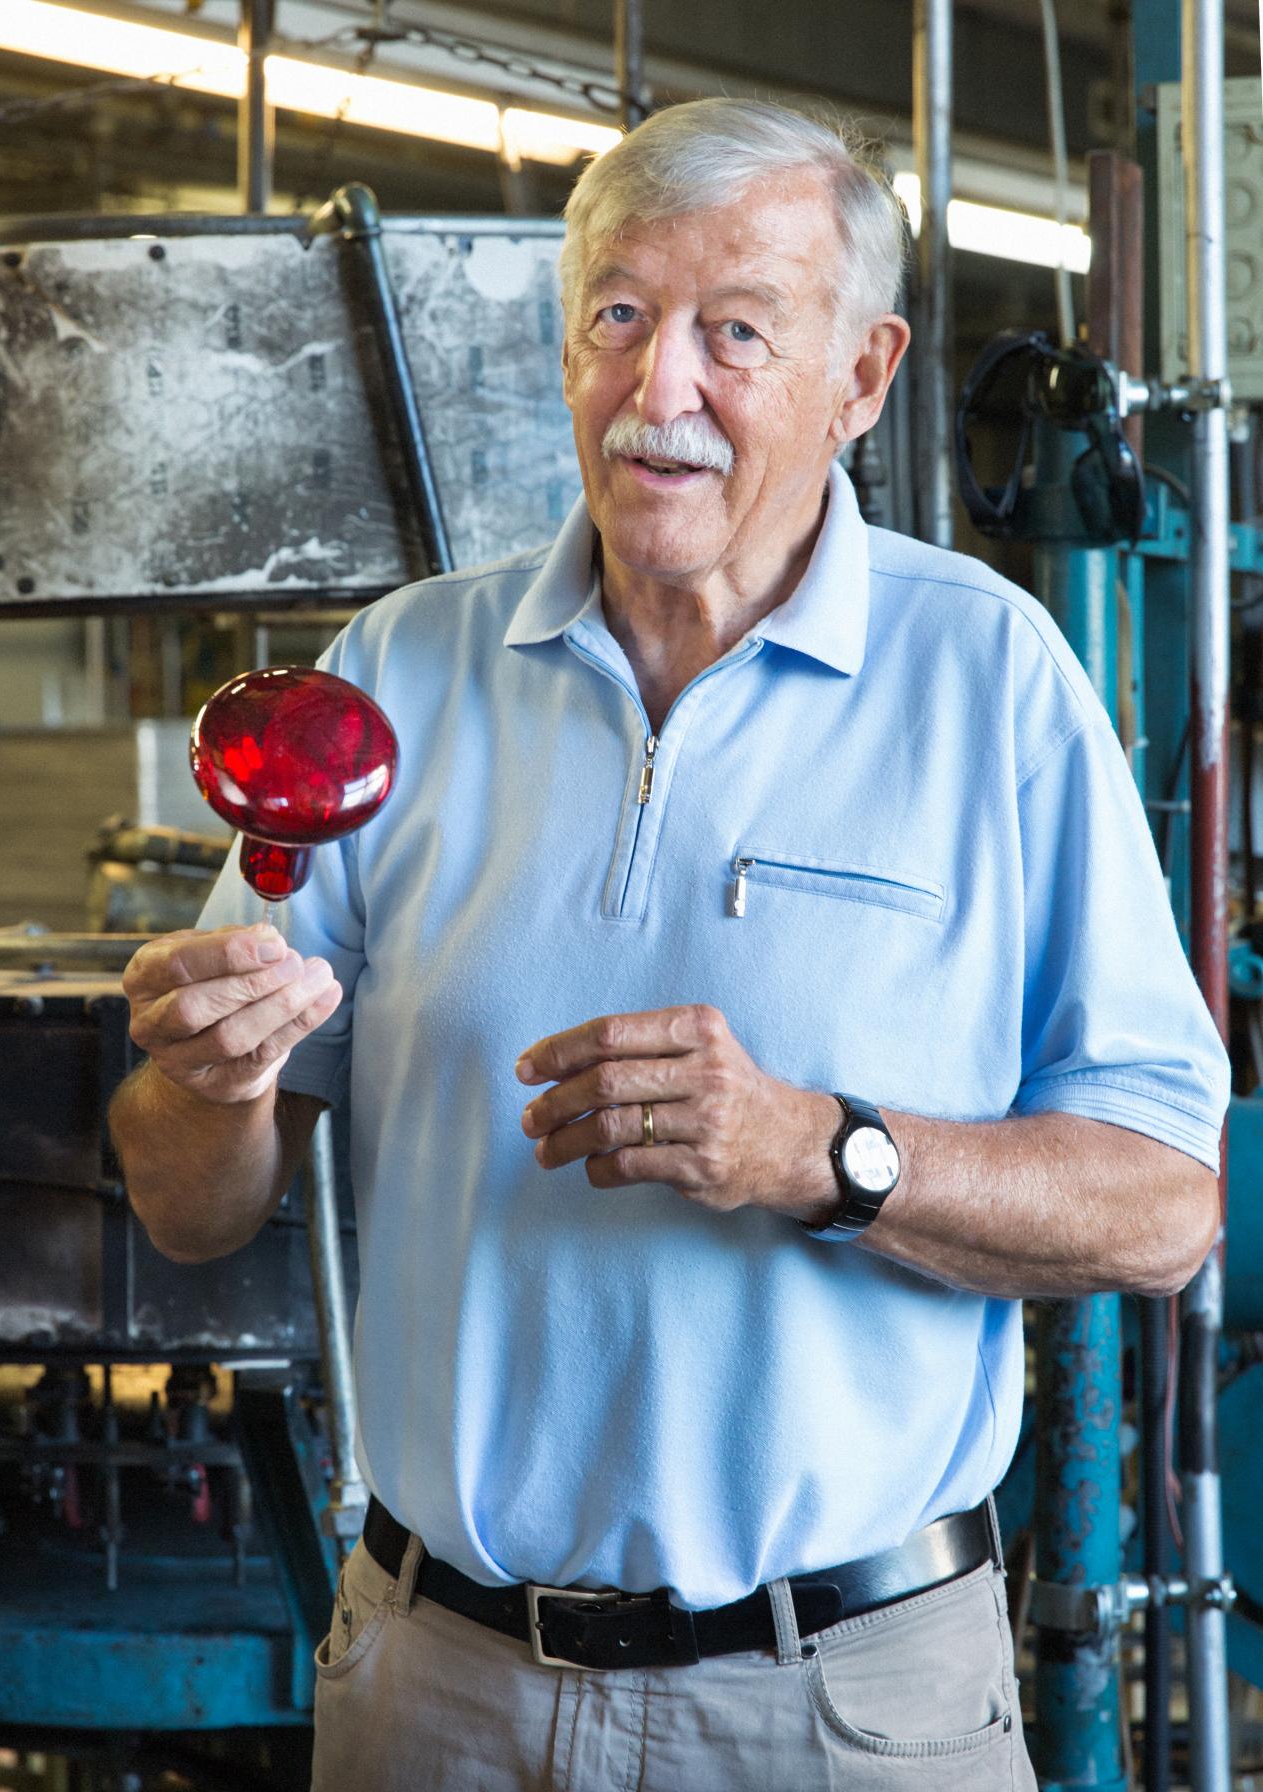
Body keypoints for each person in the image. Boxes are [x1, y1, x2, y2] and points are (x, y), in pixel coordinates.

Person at [109, 98, 1229, 1792]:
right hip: (438, 1686)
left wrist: (820, 1151)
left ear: (861, 381)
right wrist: (208, 1084)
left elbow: (1164, 1203)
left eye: (736, 336)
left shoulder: (990, 683)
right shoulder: (400, 672)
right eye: (620, 318)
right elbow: (190, 1210)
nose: (661, 393)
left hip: (846, 1706)